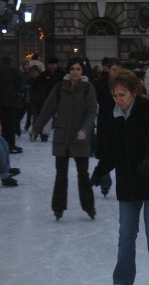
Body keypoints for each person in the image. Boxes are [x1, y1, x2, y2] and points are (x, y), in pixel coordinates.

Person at [90, 69, 149, 285]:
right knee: (126, 233)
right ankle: (122, 282)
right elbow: (113, 148)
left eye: (123, 94)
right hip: (129, 183)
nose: (119, 100)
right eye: (115, 95)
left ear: (134, 92)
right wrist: (101, 169)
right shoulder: (114, 114)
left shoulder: (148, 110)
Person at [30, 57, 97, 221]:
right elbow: (47, 109)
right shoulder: (60, 88)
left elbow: (91, 113)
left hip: (80, 138)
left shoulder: (88, 89)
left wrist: (85, 130)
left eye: (78, 69)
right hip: (62, 137)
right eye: (73, 69)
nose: (75, 72)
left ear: (83, 72)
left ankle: (89, 207)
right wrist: (36, 129)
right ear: (69, 71)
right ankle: (58, 208)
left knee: (83, 174)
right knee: (61, 175)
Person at [93, 58, 122, 196]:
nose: (115, 72)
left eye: (118, 70)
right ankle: (105, 182)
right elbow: (94, 100)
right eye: (113, 70)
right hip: (105, 122)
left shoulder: (124, 84)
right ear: (108, 70)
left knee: (120, 152)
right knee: (105, 152)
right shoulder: (100, 84)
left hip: (120, 122)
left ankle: (123, 182)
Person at [0, 55, 23, 153]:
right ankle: (10, 144)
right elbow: (19, 85)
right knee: (10, 124)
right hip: (11, 101)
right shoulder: (14, 71)